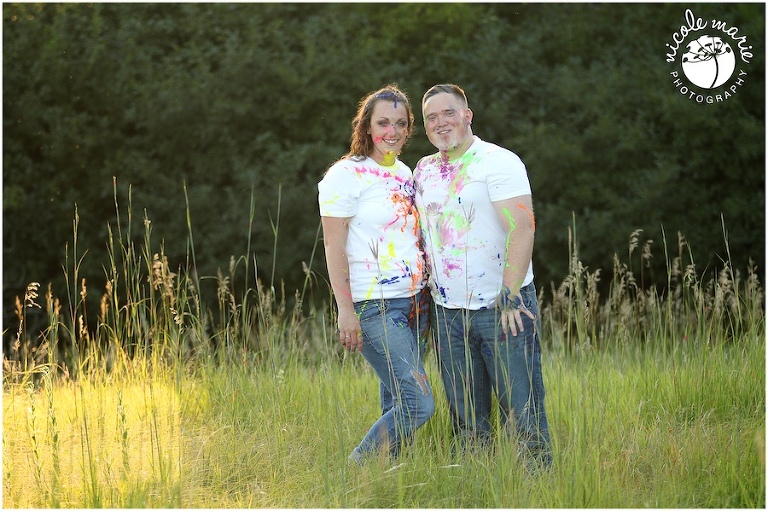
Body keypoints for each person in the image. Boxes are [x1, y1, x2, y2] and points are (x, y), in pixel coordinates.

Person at [413, 84, 552, 467]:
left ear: (467, 115)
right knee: (465, 418)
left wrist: (510, 297)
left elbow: (522, 228)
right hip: (447, 313)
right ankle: (475, 488)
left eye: (449, 113)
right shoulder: (424, 170)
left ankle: (537, 489)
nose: (441, 123)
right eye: (431, 117)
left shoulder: (498, 161)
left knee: (522, 410)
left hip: (500, 308)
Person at [318, 84, 435, 464]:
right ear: (366, 126)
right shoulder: (346, 174)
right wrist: (345, 309)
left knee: (399, 400)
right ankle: (355, 469)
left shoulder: (404, 173)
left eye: (400, 123)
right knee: (419, 404)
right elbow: (334, 247)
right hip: (374, 307)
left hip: (415, 303)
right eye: (383, 122)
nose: (392, 131)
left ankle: (386, 481)